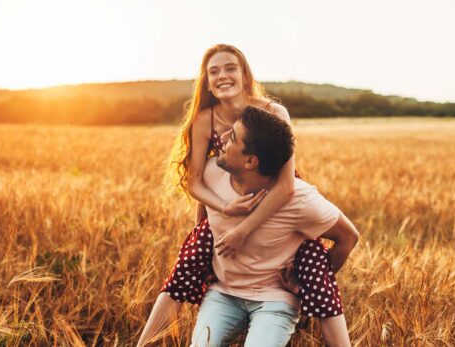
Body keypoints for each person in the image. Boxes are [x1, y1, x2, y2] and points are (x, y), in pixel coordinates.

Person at [137, 44, 355, 346]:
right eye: (213, 71)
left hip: (276, 194)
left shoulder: (274, 112)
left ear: (244, 73)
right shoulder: (205, 119)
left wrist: (243, 229)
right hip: (227, 194)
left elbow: (286, 184)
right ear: (206, 80)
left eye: (230, 68)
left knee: (313, 262)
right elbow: (196, 182)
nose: (222, 76)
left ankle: (310, 316)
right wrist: (225, 209)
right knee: (187, 263)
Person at [190, 106, 359, 346]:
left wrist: (305, 287)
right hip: (223, 294)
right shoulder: (210, 173)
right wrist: (204, 257)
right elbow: (203, 207)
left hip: (274, 299)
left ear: (250, 161)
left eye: (233, 137)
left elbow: (348, 237)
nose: (223, 138)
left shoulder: (300, 200)